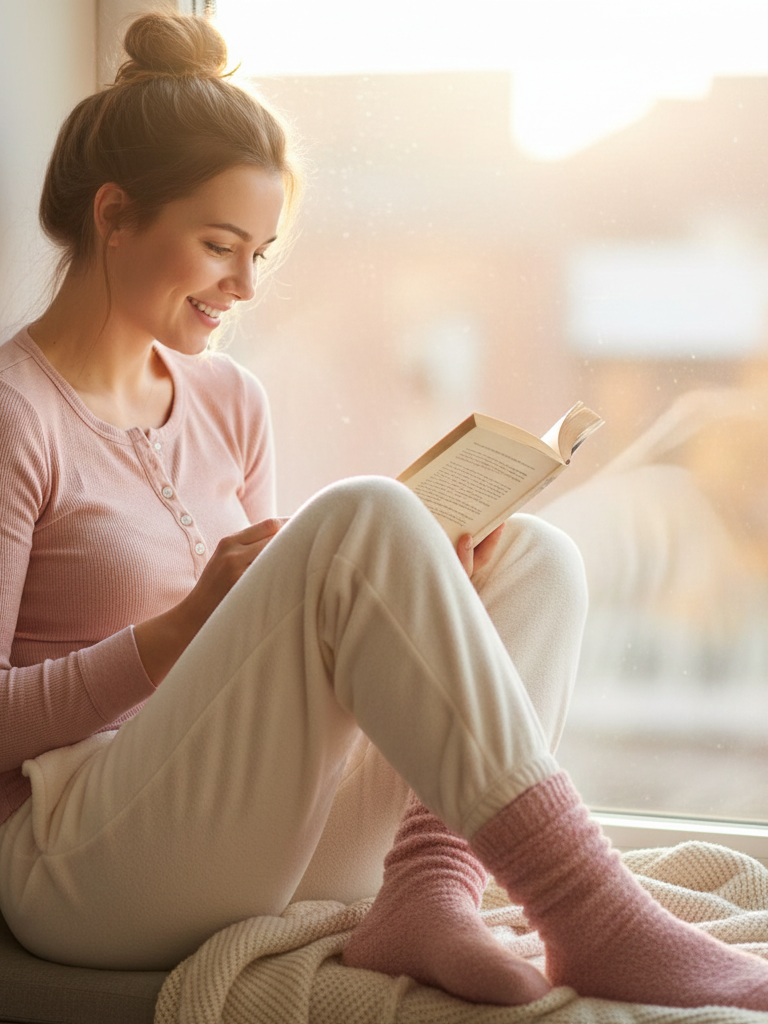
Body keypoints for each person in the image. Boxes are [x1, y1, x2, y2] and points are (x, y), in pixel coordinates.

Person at [0, 10, 767, 1011]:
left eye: (262, 252)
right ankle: (587, 902)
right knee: (364, 513)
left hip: (247, 839)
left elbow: (276, 662)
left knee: (532, 557)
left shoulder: (231, 400)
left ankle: (429, 883)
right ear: (114, 217)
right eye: (219, 245)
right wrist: (178, 631)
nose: (243, 285)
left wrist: (429, 574)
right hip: (78, 864)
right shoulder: (18, 414)